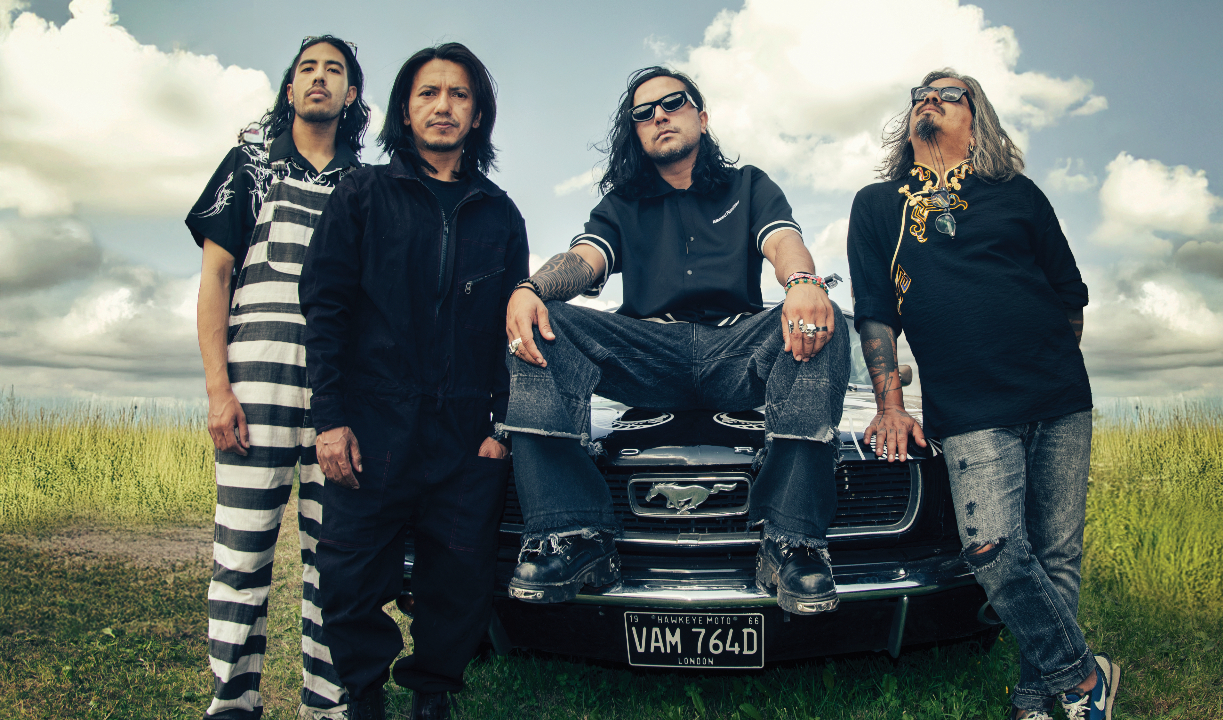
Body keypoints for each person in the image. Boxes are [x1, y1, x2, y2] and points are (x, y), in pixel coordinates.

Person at [502, 66, 850, 615]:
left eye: (672, 103)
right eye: (643, 113)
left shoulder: (749, 185)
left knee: (821, 319)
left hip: (737, 349)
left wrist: (804, 284)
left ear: (701, 116)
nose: (658, 115)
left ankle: (792, 541)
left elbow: (783, 243)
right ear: (637, 134)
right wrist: (531, 287)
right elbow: (585, 260)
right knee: (546, 319)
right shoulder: (622, 204)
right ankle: (574, 535)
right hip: (649, 353)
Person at [846, 68, 1118, 720]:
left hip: (1057, 397)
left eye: (946, 94)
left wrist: (1043, 354)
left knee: (1055, 556)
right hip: (968, 406)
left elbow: (1068, 294)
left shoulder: (1018, 194)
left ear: (977, 116)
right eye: (919, 95)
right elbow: (876, 312)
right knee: (994, 548)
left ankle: (1034, 700)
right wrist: (890, 404)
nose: (928, 101)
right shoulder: (880, 205)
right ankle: (1084, 678)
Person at [300, 42, 528, 720]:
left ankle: (434, 694)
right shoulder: (363, 193)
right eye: (429, 93)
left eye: (458, 95)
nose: (443, 106)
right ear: (407, 107)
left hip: (465, 434)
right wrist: (331, 419)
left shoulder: (499, 212)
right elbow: (326, 306)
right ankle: (364, 693)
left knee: (456, 581)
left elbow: (512, 331)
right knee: (346, 578)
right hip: (372, 423)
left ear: (478, 115)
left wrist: (502, 427)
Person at [189, 34, 368, 720]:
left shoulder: (365, 184)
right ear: (290, 89)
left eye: (334, 71)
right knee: (242, 549)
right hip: (255, 384)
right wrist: (217, 388)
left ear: (351, 95)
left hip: (337, 397)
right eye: (306, 69)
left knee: (335, 557)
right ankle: (233, 700)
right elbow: (215, 277)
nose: (319, 79)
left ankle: (328, 704)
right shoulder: (251, 165)